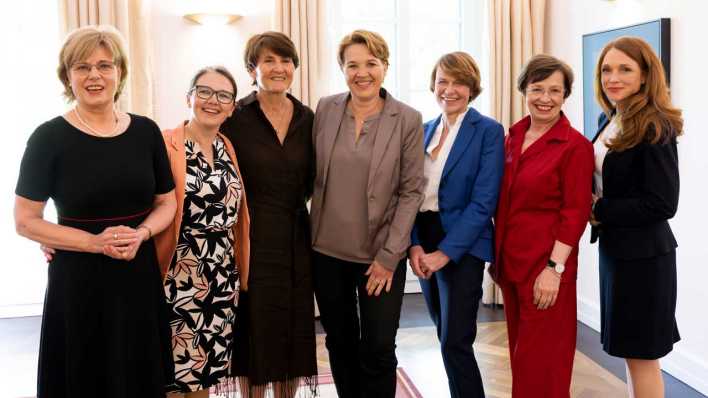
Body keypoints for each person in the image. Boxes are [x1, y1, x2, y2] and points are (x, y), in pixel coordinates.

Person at [14, 25, 176, 398]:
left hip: (137, 272)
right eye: (82, 67)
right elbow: (25, 221)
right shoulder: (47, 138)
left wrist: (142, 234)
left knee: (138, 378)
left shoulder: (146, 132)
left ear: (119, 73)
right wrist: (93, 243)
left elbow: (166, 203)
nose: (94, 76)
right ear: (67, 76)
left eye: (105, 65)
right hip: (79, 279)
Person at [310, 29, 425, 398]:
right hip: (327, 251)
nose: (362, 73)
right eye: (352, 65)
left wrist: (390, 257)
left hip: (381, 255)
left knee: (377, 347)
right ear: (342, 70)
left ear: (385, 67)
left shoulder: (407, 118)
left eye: (371, 63)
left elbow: (411, 191)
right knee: (340, 343)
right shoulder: (325, 109)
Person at [220, 31, 317, 397]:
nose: (279, 68)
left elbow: (315, 181)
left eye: (286, 60)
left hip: (295, 237)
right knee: (256, 331)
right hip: (250, 239)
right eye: (269, 61)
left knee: (292, 329)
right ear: (252, 68)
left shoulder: (309, 119)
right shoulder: (234, 117)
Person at [492, 54, 594, 398]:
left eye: (555, 90)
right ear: (524, 90)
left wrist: (555, 268)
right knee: (522, 358)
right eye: (537, 89)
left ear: (565, 95)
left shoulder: (575, 146)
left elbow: (575, 212)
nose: (545, 98)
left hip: (546, 269)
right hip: (511, 265)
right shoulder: (511, 137)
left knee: (544, 363)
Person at [408, 51, 504, 398]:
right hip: (426, 236)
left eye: (458, 82)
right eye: (443, 81)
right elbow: (410, 196)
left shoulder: (488, 131)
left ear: (472, 87)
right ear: (433, 85)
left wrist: (444, 253)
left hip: (464, 242)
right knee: (442, 330)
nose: (449, 89)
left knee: (456, 339)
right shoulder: (423, 131)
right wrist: (415, 244)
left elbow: (484, 202)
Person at [591, 36, 683, 398]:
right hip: (617, 251)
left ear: (645, 76)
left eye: (625, 69)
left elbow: (663, 203)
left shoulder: (654, 124)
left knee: (643, 356)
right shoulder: (611, 117)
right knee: (631, 354)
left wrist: (597, 209)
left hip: (645, 258)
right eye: (606, 70)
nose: (613, 78)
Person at [152, 66, 251, 398]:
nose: (213, 101)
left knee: (205, 375)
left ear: (232, 106)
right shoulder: (165, 144)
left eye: (223, 95)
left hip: (221, 282)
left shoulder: (227, 148)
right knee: (174, 378)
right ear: (189, 97)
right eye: (204, 91)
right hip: (178, 280)